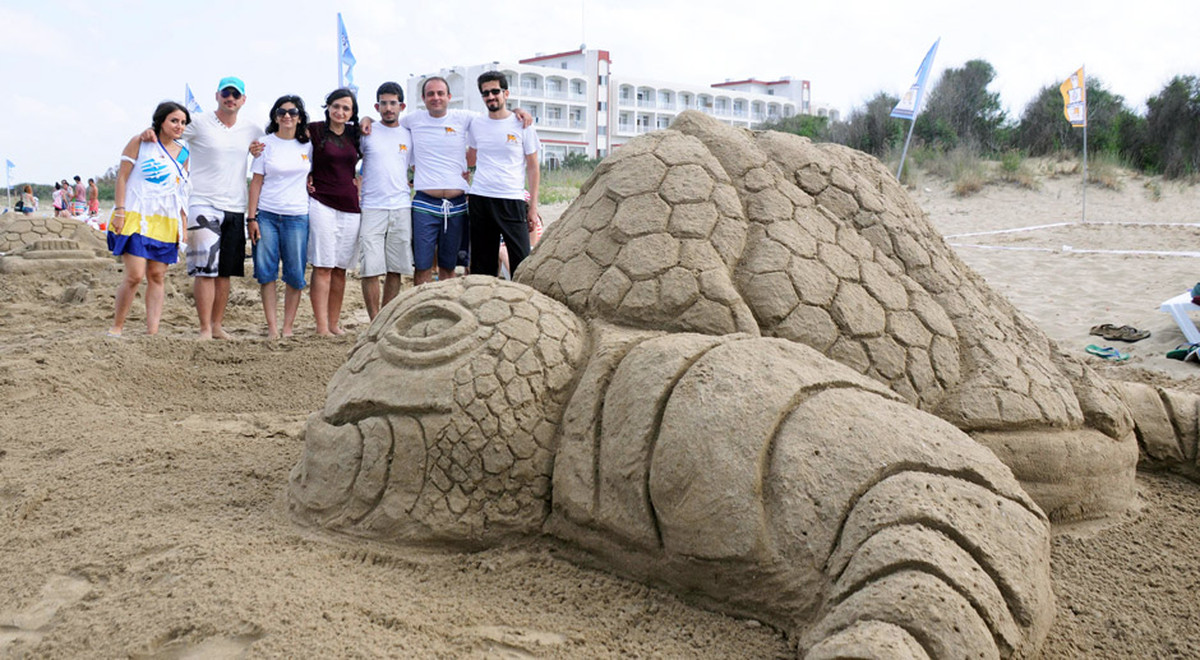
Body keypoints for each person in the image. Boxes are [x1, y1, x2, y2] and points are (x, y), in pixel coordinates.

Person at [181, 76, 265, 340]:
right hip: (202, 203)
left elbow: (270, 148)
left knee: (225, 272)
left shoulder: (252, 129)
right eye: (226, 93)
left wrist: (257, 150)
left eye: (236, 95)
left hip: (235, 206)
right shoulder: (198, 122)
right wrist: (149, 135)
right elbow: (169, 132)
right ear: (217, 95)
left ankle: (217, 325)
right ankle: (204, 328)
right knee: (204, 270)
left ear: (243, 100)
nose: (231, 98)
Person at [107, 101, 191, 337]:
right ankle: (117, 327)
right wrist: (120, 210)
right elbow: (122, 178)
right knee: (134, 275)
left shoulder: (184, 153)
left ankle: (152, 331)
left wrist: (183, 225)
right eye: (174, 120)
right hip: (136, 215)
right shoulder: (141, 142)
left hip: (165, 220)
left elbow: (181, 191)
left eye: (183, 122)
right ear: (161, 121)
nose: (179, 126)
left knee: (157, 275)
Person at [247, 96, 312, 339]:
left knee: (295, 273)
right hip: (267, 216)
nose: (287, 116)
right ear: (275, 116)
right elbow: (256, 182)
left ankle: (288, 327)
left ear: (299, 116)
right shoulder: (264, 144)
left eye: (292, 112)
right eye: (282, 112)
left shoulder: (308, 145)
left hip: (297, 216)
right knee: (266, 272)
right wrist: (251, 218)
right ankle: (272, 328)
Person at [466, 71, 541, 279]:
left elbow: (533, 168)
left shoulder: (523, 125)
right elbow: (470, 160)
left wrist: (533, 207)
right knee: (482, 266)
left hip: (512, 199)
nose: (491, 96)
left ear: (506, 93)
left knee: (521, 262)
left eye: (495, 91)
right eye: (486, 93)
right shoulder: (476, 124)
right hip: (481, 199)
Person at [307, 88, 362, 336]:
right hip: (321, 202)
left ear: (352, 112)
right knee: (323, 266)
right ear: (328, 106)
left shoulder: (355, 133)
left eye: (346, 108)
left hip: (351, 207)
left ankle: (334, 323)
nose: (340, 112)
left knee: (340, 268)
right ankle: (321, 326)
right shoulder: (314, 130)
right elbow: (286, 143)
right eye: (336, 106)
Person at [357, 81, 413, 320]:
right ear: (376, 106)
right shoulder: (366, 133)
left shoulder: (410, 135)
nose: (389, 108)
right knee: (370, 268)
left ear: (402, 106)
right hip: (371, 207)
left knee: (396, 268)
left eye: (393, 103)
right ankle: (373, 320)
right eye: (384, 103)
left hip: (401, 207)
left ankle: (385, 320)